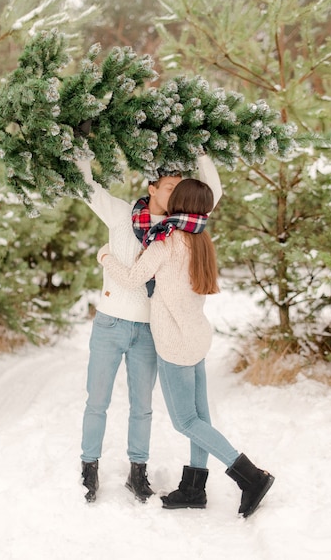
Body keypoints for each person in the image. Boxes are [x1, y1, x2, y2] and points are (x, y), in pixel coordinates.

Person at [97, 178, 275, 518]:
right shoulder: (201, 240)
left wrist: (105, 257)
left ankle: (251, 478)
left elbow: (133, 278)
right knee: (200, 417)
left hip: (175, 343)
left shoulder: (165, 242)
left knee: (186, 421)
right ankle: (194, 488)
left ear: (177, 202)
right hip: (196, 337)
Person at [76, 154, 222, 503]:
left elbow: (212, 192)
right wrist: (80, 150)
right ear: (151, 187)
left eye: (179, 188)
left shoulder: (181, 225)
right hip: (110, 322)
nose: (175, 194)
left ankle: (137, 472)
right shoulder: (122, 214)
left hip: (148, 329)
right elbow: (87, 189)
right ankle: (88, 468)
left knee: (143, 406)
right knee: (97, 400)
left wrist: (202, 152)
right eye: (169, 187)